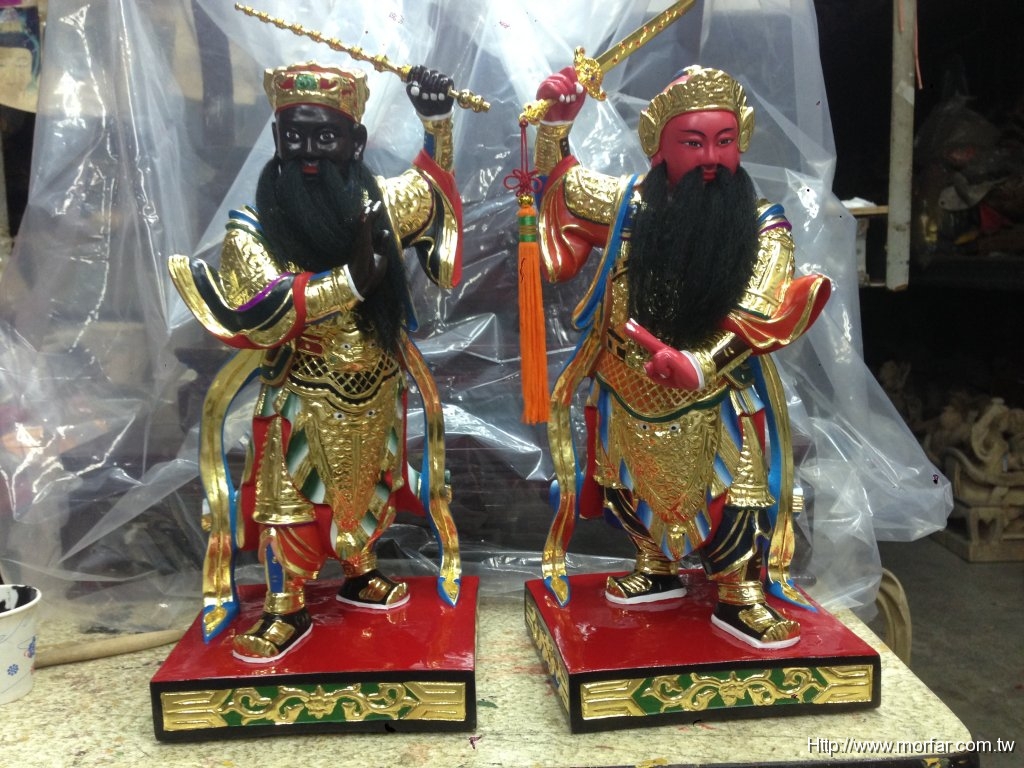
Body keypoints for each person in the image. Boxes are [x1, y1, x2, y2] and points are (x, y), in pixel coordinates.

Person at [168, 61, 463, 662]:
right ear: (277, 139)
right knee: (286, 503)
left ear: (355, 143)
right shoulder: (252, 228)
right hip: (301, 391)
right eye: (294, 137)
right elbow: (263, 306)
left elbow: (430, 191)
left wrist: (436, 122)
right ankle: (285, 605)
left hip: (376, 384)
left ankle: (360, 569)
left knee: (374, 481)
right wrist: (350, 281)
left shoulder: (379, 205)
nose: (308, 152)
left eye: (325, 137)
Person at [531, 64, 831, 650]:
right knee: (622, 482)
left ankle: (738, 593)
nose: (712, 157)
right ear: (660, 148)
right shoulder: (627, 207)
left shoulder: (763, 225)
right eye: (693, 143)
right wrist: (556, 129)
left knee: (736, 492)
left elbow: (762, 302)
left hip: (712, 393)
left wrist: (702, 363)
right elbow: (565, 190)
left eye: (725, 141)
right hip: (624, 385)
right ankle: (656, 564)